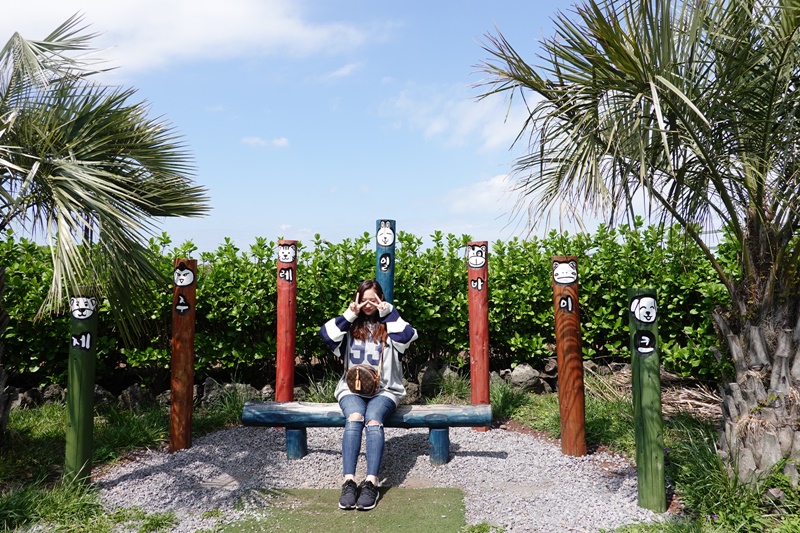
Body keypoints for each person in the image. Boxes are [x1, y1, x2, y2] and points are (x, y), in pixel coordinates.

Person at [319, 279, 418, 511]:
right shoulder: (349, 327)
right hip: (351, 389)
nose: (368, 304)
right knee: (354, 417)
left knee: (373, 420)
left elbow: (407, 337)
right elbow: (325, 334)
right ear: (357, 299)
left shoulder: (391, 327)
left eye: (373, 299)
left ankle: (371, 482)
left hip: (385, 391)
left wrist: (389, 313)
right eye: (364, 300)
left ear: (381, 298)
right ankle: (349, 481)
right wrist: (349, 314)